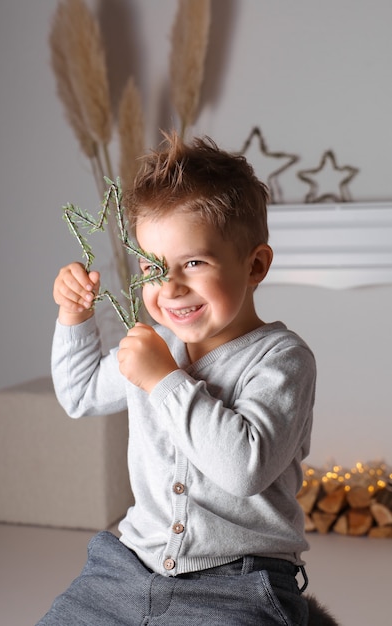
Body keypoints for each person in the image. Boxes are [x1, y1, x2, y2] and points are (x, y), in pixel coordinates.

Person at [38, 132, 316, 625]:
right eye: (151, 266)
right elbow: (79, 395)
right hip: (126, 567)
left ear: (255, 265)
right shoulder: (157, 345)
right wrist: (72, 317)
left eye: (193, 262)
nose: (169, 286)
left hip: (239, 582)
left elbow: (243, 471)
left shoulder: (282, 359)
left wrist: (164, 381)